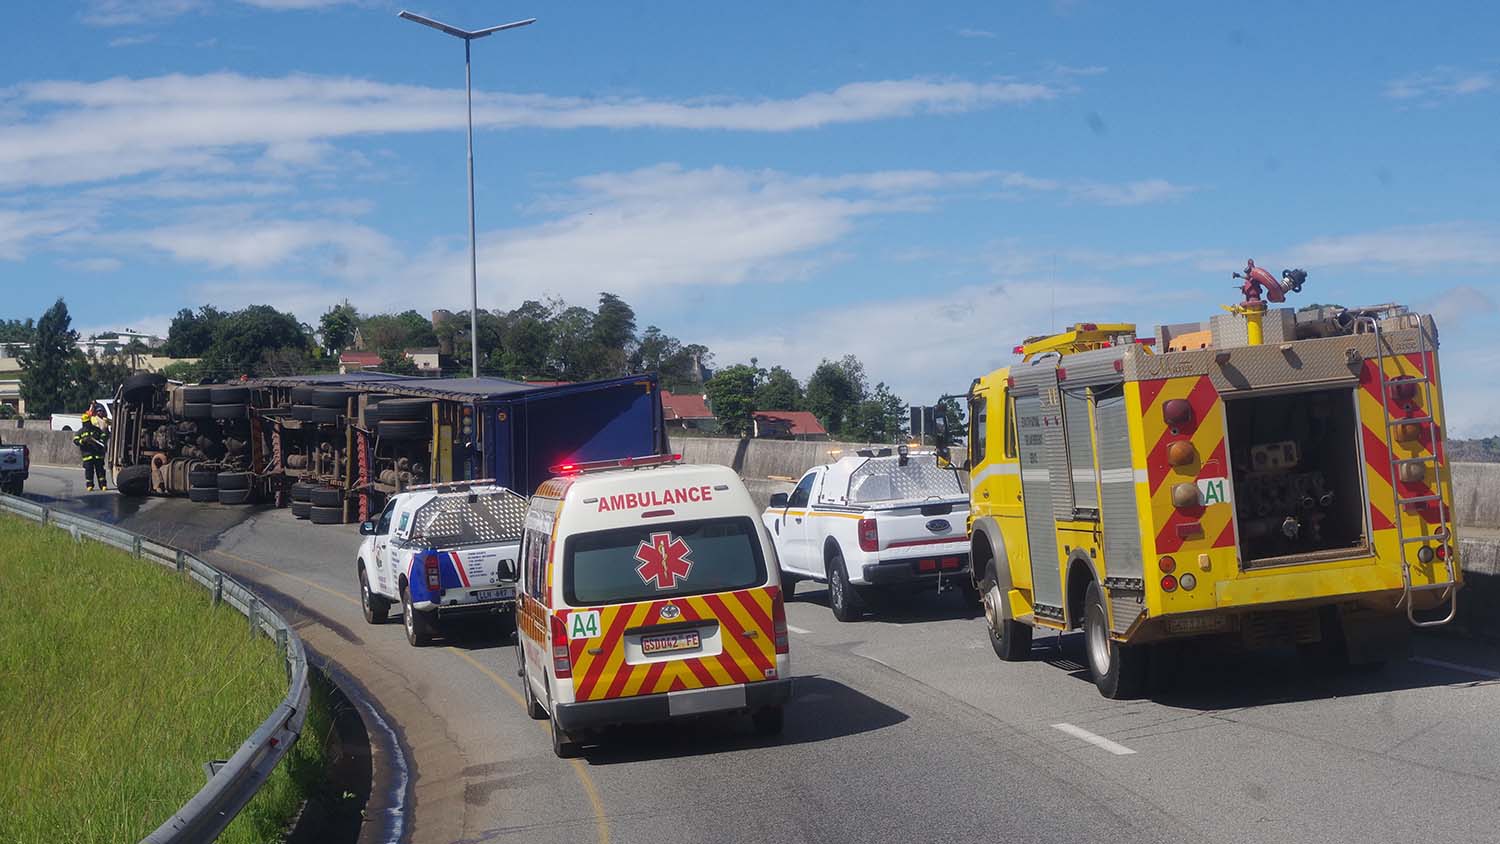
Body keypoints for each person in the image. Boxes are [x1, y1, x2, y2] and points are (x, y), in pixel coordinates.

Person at [74, 405, 110, 491]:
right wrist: (83, 441)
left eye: (87, 422)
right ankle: (89, 485)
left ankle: (103, 485)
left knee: (100, 471)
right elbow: (75, 440)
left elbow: (103, 435)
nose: (86, 424)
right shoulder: (80, 432)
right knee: (89, 472)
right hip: (87, 455)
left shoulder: (96, 430)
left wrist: (101, 440)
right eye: (85, 423)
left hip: (98, 454)